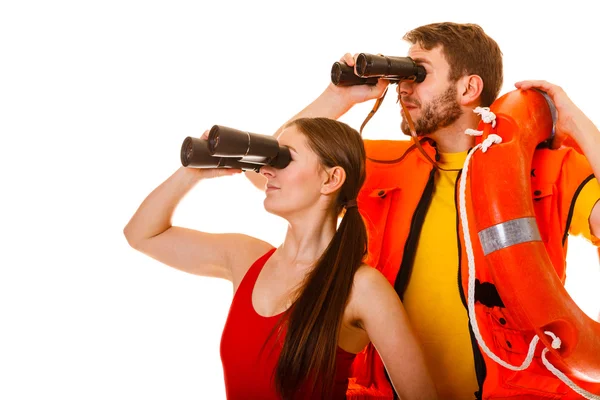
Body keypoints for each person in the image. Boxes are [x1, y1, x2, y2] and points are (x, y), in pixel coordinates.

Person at [245, 23, 600, 399]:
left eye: (419, 73)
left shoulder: (550, 168)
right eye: (403, 74)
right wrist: (337, 97)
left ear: (468, 88)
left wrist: (578, 123)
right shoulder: (388, 163)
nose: (404, 87)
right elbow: (269, 172)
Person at [123, 117, 437, 399]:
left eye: (284, 159)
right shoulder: (245, 257)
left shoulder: (362, 288)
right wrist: (192, 172)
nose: (265, 170)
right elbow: (141, 234)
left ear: (331, 179)